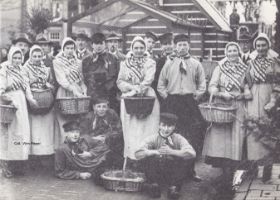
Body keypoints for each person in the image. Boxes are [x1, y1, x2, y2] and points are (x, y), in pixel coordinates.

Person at [157, 34, 206, 181]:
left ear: (189, 46)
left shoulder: (196, 64)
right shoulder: (169, 63)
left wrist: (196, 96)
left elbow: (202, 83)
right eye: (179, 45)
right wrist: (168, 97)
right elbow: (160, 85)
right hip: (173, 102)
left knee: (191, 136)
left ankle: (190, 171)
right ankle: (171, 173)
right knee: (171, 136)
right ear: (175, 46)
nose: (182, 47)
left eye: (185, 44)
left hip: (189, 103)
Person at [202, 42, 250, 183]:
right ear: (226, 52)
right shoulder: (220, 68)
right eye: (230, 51)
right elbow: (211, 86)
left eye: (235, 50)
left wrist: (242, 95)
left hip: (238, 105)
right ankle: (224, 169)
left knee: (238, 135)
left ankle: (236, 168)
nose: (232, 53)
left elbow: (248, 89)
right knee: (222, 137)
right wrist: (222, 94)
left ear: (238, 52)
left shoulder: (245, 68)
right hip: (222, 105)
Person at [117, 36, 160, 160]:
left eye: (141, 48)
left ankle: (147, 158)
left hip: (147, 96)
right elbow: (120, 81)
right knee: (131, 129)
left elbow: (148, 80)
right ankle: (131, 157)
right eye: (136, 48)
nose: (139, 50)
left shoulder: (150, 62)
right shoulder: (125, 63)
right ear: (132, 48)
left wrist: (138, 89)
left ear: (145, 48)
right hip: (129, 98)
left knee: (148, 128)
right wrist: (131, 88)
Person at [135, 113, 196, 199]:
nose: (166, 129)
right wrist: (155, 152)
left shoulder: (178, 138)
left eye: (170, 126)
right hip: (157, 171)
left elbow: (192, 153)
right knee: (147, 157)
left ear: (174, 127)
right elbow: (137, 153)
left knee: (185, 158)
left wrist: (171, 152)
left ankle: (174, 187)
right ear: (159, 125)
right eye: (163, 125)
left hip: (172, 172)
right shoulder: (153, 138)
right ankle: (153, 184)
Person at [0, 47, 36, 178]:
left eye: (19, 58)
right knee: (9, 134)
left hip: (21, 104)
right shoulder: (4, 69)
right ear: (10, 57)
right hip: (10, 104)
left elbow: (26, 88)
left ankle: (18, 163)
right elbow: (1, 89)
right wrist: (9, 99)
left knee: (22, 133)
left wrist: (31, 100)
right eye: (14, 57)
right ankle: (5, 165)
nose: (17, 60)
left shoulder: (23, 70)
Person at [246, 33, 280, 161]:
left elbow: (278, 82)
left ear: (268, 46)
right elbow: (245, 79)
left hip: (268, 93)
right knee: (252, 124)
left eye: (263, 45)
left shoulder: (274, 62)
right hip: (253, 95)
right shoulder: (250, 61)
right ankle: (253, 163)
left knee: (267, 127)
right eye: (258, 45)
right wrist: (245, 90)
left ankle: (267, 164)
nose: (260, 48)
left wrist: (273, 100)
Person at [22, 45, 56, 156]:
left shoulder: (46, 68)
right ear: (30, 56)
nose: (37, 58)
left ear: (42, 56)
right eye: (34, 56)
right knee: (34, 128)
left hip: (46, 100)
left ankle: (45, 153)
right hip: (33, 100)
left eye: (39, 56)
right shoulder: (25, 68)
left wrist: (49, 86)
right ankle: (33, 153)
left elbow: (52, 83)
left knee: (45, 128)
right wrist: (31, 98)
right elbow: (25, 85)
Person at [53, 37, 87, 145]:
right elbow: (61, 79)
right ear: (63, 48)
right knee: (64, 120)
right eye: (67, 48)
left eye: (72, 48)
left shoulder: (78, 62)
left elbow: (81, 79)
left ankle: (76, 147)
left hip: (77, 91)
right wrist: (73, 90)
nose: (70, 50)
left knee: (76, 120)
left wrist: (83, 90)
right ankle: (64, 146)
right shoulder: (57, 62)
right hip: (65, 91)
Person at [79, 97, 124, 168]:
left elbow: (118, 129)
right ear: (94, 107)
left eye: (104, 107)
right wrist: (94, 138)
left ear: (107, 107)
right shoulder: (89, 117)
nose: (101, 109)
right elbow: (82, 133)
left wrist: (106, 136)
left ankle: (99, 158)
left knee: (113, 142)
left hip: (107, 140)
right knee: (83, 142)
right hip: (92, 140)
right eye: (99, 106)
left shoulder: (111, 114)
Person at [82, 33, 119, 113]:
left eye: (101, 43)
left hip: (109, 95)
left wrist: (109, 89)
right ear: (92, 45)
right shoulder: (86, 60)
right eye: (96, 43)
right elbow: (85, 78)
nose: (98, 46)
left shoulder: (113, 59)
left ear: (105, 44)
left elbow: (115, 76)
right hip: (93, 95)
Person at [152, 32, 173, 105]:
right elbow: (156, 82)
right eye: (165, 44)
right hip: (163, 96)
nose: (168, 46)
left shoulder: (179, 59)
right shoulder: (159, 61)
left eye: (170, 43)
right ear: (161, 46)